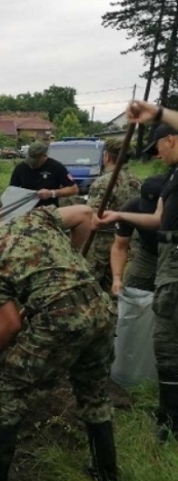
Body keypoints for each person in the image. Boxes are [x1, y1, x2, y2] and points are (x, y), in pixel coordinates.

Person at [0, 206, 118, 481]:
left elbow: (9, 325)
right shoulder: (33, 218)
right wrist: (71, 257)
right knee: (93, 392)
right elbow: (85, 213)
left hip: (62, 320)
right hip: (101, 311)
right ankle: (107, 475)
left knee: (12, 386)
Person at [93, 100, 178, 441]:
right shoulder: (173, 177)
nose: (156, 155)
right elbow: (158, 220)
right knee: (166, 342)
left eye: (157, 146)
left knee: (169, 341)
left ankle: (169, 426)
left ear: (170, 139)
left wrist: (156, 113)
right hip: (167, 256)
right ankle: (168, 420)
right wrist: (120, 216)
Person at [85, 139, 142, 294]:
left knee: (94, 285)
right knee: (118, 284)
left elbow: (93, 215)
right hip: (127, 240)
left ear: (107, 157)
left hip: (102, 243)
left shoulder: (103, 182)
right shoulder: (137, 181)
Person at [111, 175, 165, 295]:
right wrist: (117, 278)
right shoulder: (131, 208)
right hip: (149, 254)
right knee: (131, 293)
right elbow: (120, 246)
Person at [8, 141, 78, 207]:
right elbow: (12, 191)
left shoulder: (56, 167)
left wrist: (52, 193)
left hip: (48, 209)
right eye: (30, 161)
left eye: (35, 162)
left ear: (44, 156)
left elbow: (73, 189)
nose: (31, 165)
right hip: (26, 209)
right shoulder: (21, 168)